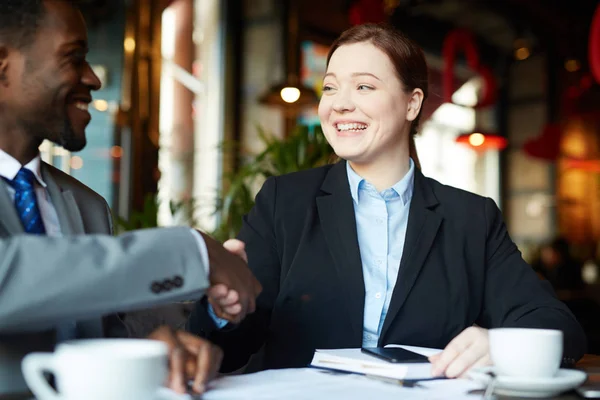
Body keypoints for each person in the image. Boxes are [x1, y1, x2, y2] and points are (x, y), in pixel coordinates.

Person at [188, 23, 587, 378]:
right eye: (330, 87)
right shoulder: (284, 202)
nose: (339, 103)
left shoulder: (471, 218)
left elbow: (558, 327)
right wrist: (225, 313)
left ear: (413, 103)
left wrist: (502, 346)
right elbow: (226, 350)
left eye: (363, 86)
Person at [0, 0, 260, 395]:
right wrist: (193, 251)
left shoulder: (85, 204)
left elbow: (94, 334)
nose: (93, 78)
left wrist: (148, 352)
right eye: (74, 57)